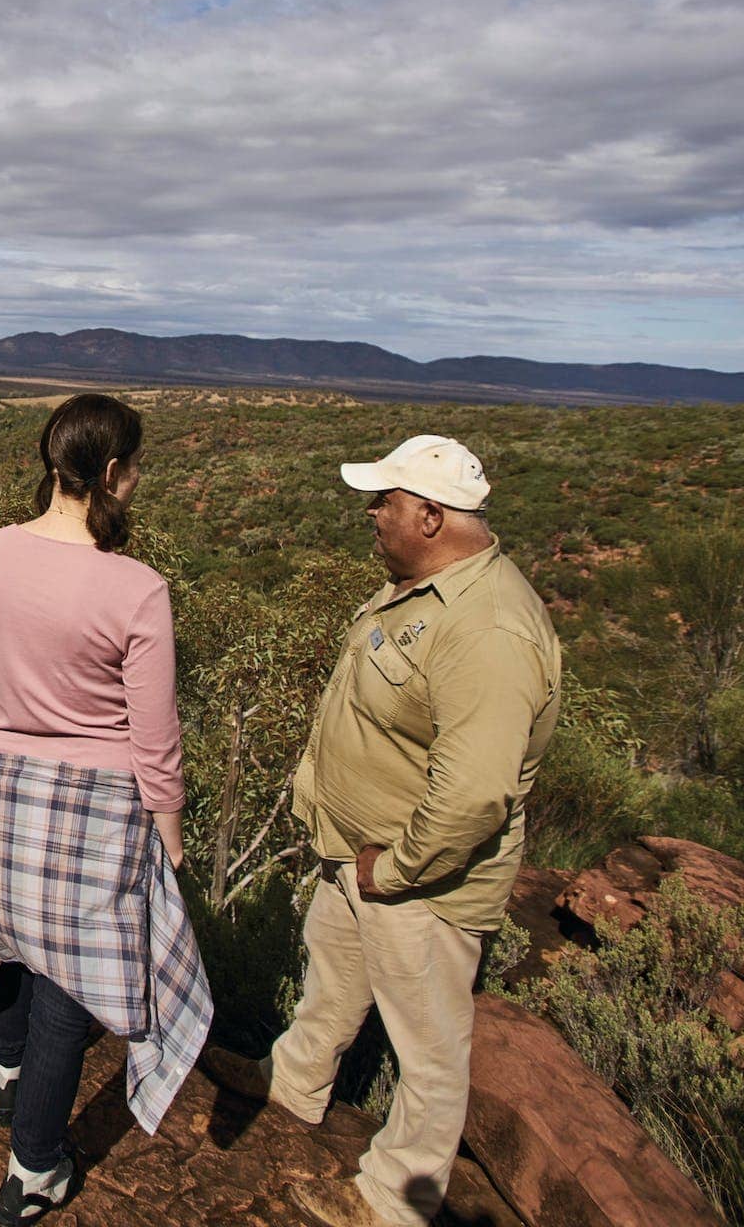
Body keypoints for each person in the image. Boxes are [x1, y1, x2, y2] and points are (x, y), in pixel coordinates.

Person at [216, 435, 561, 1227]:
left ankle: (395, 1201)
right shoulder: (417, 585)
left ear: (432, 517)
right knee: (331, 979)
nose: (372, 513)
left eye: (386, 502)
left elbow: (474, 793)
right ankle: (295, 1086)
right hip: (355, 850)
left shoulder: (490, 630)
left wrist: (396, 868)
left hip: (419, 878)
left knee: (429, 1048)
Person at [0, 394, 213, 1226]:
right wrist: (170, 831)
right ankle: (36, 1164)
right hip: (103, 800)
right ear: (115, 473)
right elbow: (154, 735)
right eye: (138, 469)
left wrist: (1, 743)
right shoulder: (138, 590)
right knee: (69, 981)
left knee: (14, 928)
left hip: (11, 777)